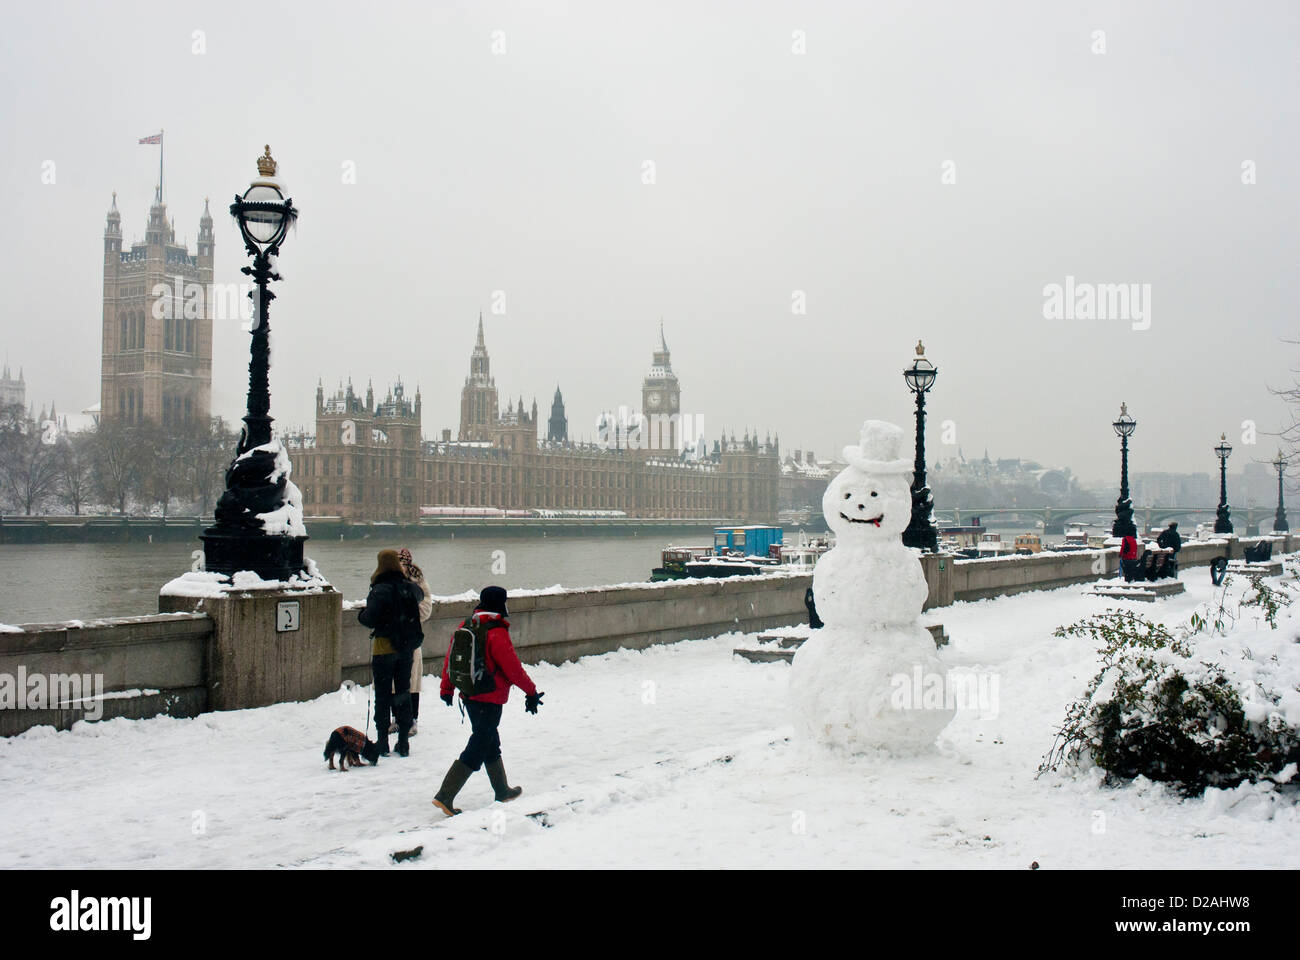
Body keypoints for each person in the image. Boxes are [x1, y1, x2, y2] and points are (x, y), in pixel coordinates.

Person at [432, 586, 543, 817]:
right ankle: (445, 795)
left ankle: (502, 790)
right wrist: (531, 692)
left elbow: (451, 660)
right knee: (480, 743)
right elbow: (513, 669)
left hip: (470, 695)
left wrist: (447, 688)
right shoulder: (496, 631)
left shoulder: (467, 625)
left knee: (489, 738)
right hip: (490, 697)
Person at [357, 549, 424, 758]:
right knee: (403, 694)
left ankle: (383, 742)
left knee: (383, 696)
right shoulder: (410, 588)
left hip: (384, 649)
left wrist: (361, 614)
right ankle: (403, 742)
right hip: (406, 650)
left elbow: (369, 619)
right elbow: (420, 596)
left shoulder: (379, 589)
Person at [388, 548, 432, 738]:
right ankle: (396, 718)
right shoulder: (387, 580)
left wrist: (405, 615)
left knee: (411, 683)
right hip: (390, 639)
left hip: (411, 639)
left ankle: (412, 719)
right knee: (392, 684)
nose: (402, 567)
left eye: (404, 563)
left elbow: (426, 608)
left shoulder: (418, 581)